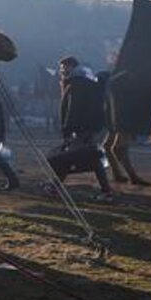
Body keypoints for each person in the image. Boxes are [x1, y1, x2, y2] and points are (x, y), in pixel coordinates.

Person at [48, 56, 113, 200]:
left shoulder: (76, 83)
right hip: (92, 127)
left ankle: (55, 187)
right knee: (86, 158)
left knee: (69, 158)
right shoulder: (87, 81)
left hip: (83, 128)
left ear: (71, 66)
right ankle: (54, 186)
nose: (62, 71)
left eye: (64, 67)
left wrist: (67, 129)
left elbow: (73, 109)